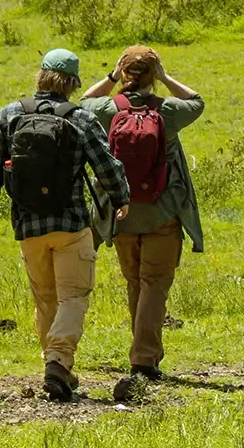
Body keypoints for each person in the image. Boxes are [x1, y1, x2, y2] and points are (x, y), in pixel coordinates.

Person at [0, 48, 132, 402]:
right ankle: (59, 364)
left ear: (41, 76)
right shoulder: (80, 119)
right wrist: (121, 198)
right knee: (73, 296)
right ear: (73, 83)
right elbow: (106, 166)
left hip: (27, 226)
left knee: (45, 299)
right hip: (71, 224)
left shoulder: (9, 115)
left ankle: (57, 364)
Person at [80, 45, 204, 382]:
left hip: (120, 213)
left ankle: (143, 351)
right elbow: (196, 101)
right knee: (155, 283)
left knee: (136, 282)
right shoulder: (168, 112)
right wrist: (164, 77)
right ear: (153, 76)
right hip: (162, 211)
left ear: (124, 73)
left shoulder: (107, 110)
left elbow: (82, 102)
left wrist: (110, 77)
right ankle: (144, 358)